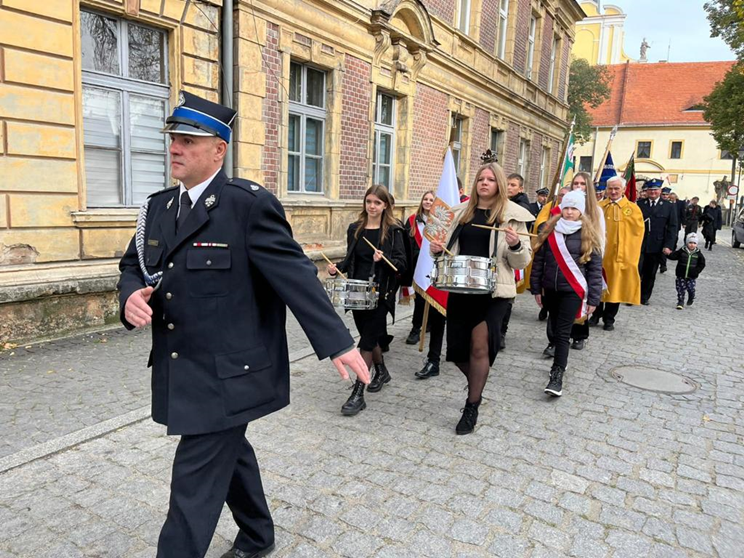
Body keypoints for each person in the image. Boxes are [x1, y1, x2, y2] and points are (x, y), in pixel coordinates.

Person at [118, 91, 369, 558]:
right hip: (181, 368)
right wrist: (130, 295)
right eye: (173, 137)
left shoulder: (246, 206)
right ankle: (258, 536)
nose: (176, 147)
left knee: (191, 487)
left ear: (219, 150)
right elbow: (132, 267)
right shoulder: (156, 208)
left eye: (190, 140)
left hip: (230, 376)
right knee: (231, 457)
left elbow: (296, 275)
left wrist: (338, 341)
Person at [431, 162, 533, 434]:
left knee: (479, 348)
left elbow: (521, 260)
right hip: (461, 289)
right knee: (456, 352)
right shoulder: (460, 214)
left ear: (499, 184)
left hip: (493, 292)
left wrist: (515, 244)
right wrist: (436, 250)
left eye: (490, 179)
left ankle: (471, 406)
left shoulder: (513, 216)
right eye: (480, 179)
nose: (484, 183)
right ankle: (478, 381)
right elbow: (445, 253)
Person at [327, 184, 407, 416]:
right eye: (369, 201)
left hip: (381, 293)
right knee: (370, 339)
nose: (372, 206)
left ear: (385, 206)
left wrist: (384, 260)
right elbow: (350, 258)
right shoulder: (356, 228)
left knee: (366, 341)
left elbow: (401, 265)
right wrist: (336, 269)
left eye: (377, 203)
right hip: (356, 291)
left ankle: (358, 393)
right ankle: (381, 371)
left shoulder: (393, 230)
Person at [530, 190, 603, 397]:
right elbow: (539, 262)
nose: (569, 212)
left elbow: (595, 270)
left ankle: (556, 374)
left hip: (572, 291)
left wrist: (594, 298)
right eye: (566, 208)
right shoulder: (549, 229)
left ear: (581, 211)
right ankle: (560, 361)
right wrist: (536, 288)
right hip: (550, 290)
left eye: (574, 209)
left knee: (563, 333)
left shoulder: (589, 234)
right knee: (553, 328)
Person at [592, 176, 644, 330]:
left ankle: (609, 319)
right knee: (598, 285)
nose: (613, 192)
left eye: (616, 188)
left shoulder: (632, 209)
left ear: (623, 189)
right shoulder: (599, 207)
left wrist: (630, 255)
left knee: (615, 288)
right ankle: (595, 315)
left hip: (620, 257)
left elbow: (637, 233)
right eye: (610, 188)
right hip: (601, 256)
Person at [403, 190, 446, 379]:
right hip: (416, 266)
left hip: (435, 267)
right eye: (426, 199)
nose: (428, 202)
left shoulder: (439, 222)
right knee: (419, 301)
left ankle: (428, 330)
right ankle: (416, 327)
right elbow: (406, 243)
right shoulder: (412, 220)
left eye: (431, 200)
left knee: (435, 305)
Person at [565, 172, 605, 349]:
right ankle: (556, 338)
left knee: (582, 298)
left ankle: (579, 335)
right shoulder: (565, 206)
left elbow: (600, 235)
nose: (578, 187)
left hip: (584, 256)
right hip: (565, 255)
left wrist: (596, 257)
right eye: (575, 184)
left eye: (582, 184)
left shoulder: (595, 210)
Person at [500, 173, 534, 349]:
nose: (509, 188)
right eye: (507, 184)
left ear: (520, 188)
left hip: (515, 250)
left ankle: (502, 332)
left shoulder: (521, 208)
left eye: (513, 185)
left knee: (508, 297)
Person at [638, 178, 677, 305]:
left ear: (660, 191)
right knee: (637, 271)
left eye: (655, 190)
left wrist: (668, 246)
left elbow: (672, 227)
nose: (653, 192)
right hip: (639, 244)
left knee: (650, 273)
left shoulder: (668, 206)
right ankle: (633, 295)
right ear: (647, 191)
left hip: (657, 245)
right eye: (650, 190)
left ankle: (644, 297)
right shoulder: (639, 204)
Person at [667, 233, 706, 309]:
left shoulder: (698, 254)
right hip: (681, 274)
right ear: (687, 243)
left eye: (694, 243)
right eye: (690, 243)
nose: (692, 245)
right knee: (680, 288)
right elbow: (674, 256)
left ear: (696, 244)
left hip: (692, 275)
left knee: (690, 288)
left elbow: (702, 264)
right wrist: (668, 254)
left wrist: (696, 271)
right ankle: (680, 302)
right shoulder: (682, 251)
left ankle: (691, 296)